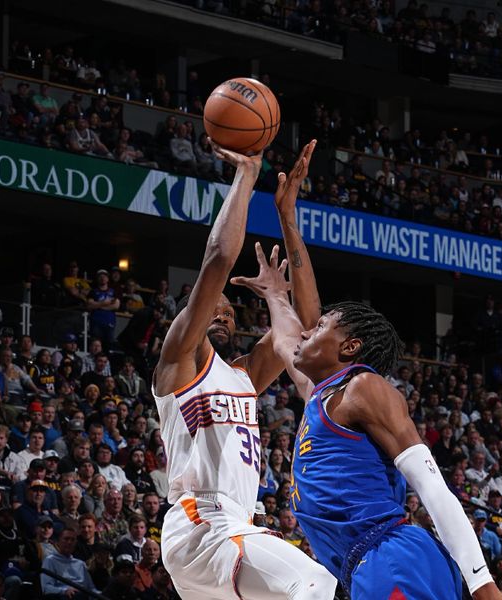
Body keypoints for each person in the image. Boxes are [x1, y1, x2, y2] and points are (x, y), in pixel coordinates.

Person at [230, 149, 502, 600]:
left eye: (320, 329)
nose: (308, 331)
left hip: (392, 555)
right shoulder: (323, 397)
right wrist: (283, 240)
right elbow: (288, 336)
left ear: (349, 347)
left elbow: (432, 487)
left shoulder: (363, 388)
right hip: (365, 567)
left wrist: (484, 585)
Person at [152, 140, 336, 600]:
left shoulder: (245, 377)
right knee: (316, 583)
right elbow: (218, 260)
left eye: (232, 311)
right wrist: (247, 174)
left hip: (233, 525)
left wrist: (288, 220)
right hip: (202, 522)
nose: (225, 314)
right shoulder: (182, 360)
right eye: (215, 306)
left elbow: (307, 329)